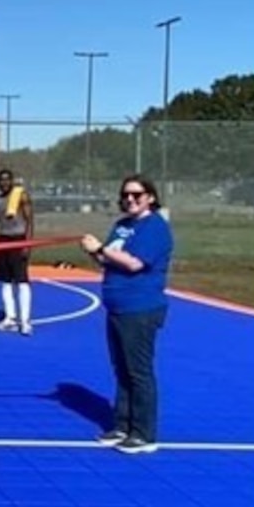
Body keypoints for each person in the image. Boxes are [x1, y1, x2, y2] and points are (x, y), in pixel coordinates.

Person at [81, 174, 173, 454]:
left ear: (151, 197)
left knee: (138, 371)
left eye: (137, 195)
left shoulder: (155, 227)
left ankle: (144, 434)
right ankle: (122, 425)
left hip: (140, 307)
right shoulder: (122, 226)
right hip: (117, 305)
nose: (130, 199)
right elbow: (107, 257)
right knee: (121, 369)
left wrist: (100, 249)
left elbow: (134, 263)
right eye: (126, 195)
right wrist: (93, 251)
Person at [0, 168, 35, 334]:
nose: (4, 182)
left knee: (21, 281)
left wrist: (27, 245)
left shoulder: (21, 195)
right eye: (2, 180)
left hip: (18, 239)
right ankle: (10, 318)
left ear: (12, 180)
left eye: (7, 179)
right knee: (5, 281)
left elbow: (29, 221)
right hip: (2, 241)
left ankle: (25, 321)